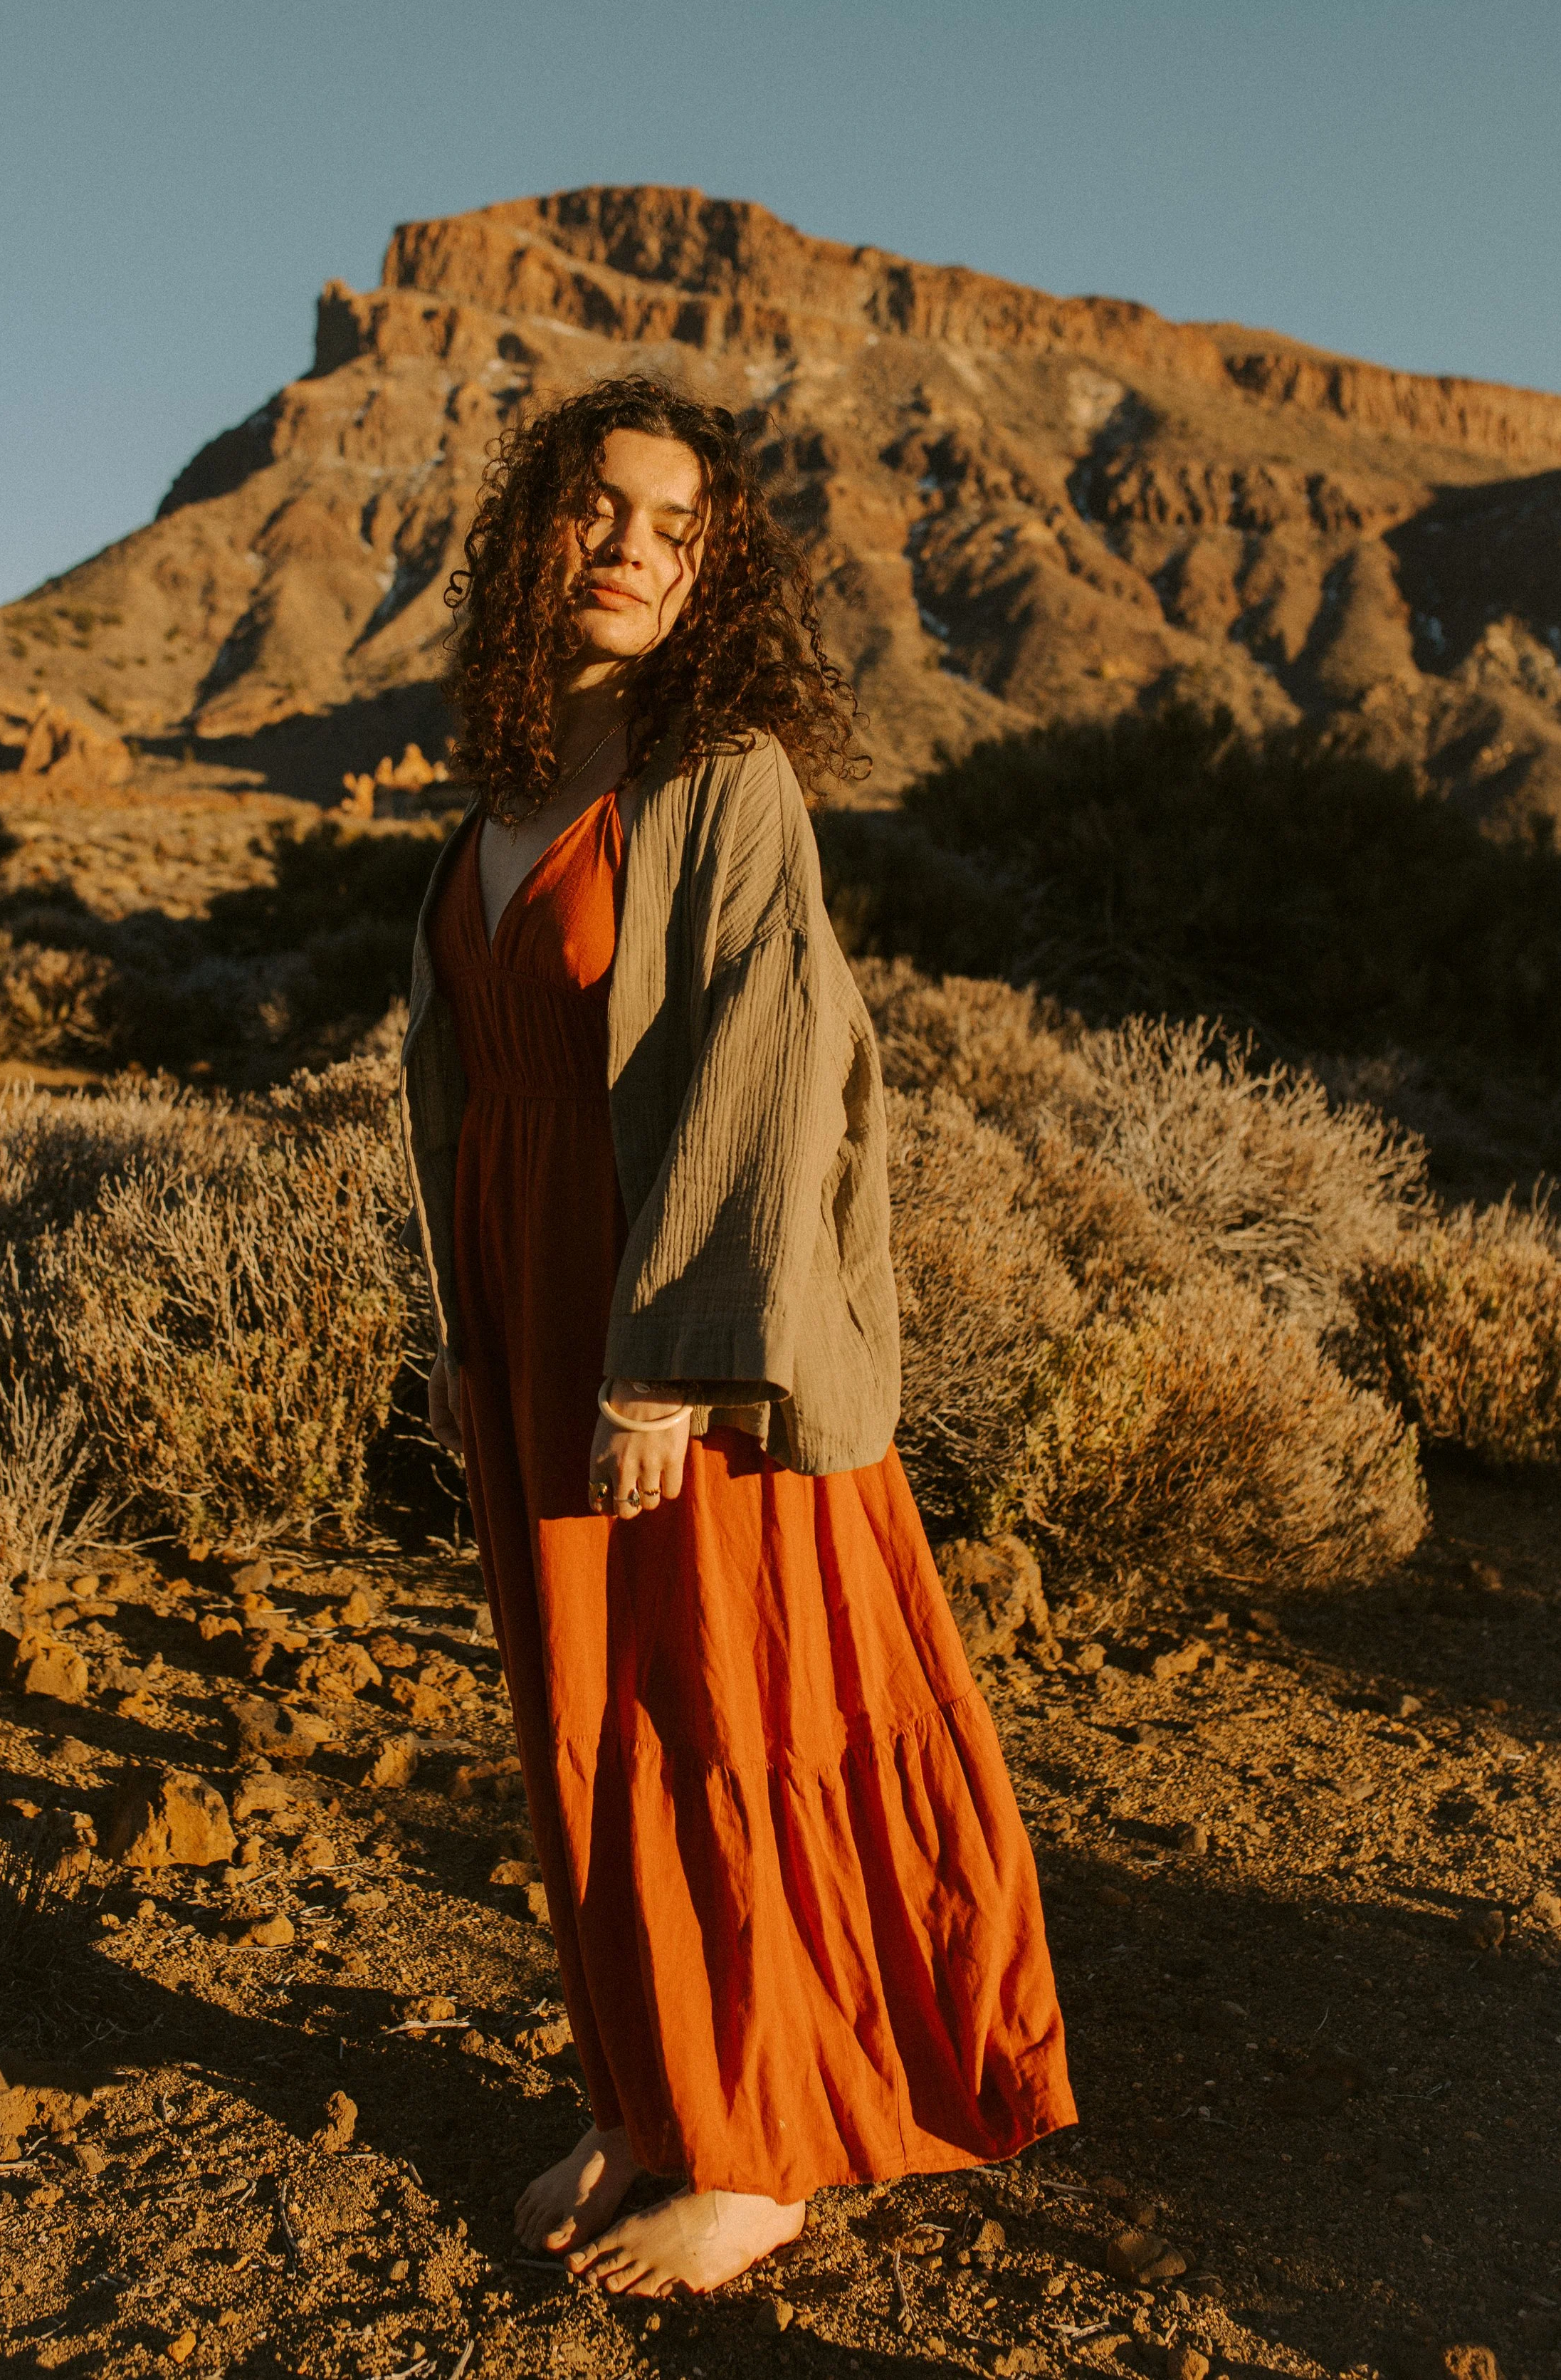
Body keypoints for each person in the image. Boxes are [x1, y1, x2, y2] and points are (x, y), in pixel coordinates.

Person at [399, 373, 1074, 2302]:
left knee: (722, 1717)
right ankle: (649, 2087)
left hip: (682, 1332)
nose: (628, 549)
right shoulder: (502, 790)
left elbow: (763, 1087)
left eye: (675, 530)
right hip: (532, 1309)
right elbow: (473, 1083)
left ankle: (760, 2140)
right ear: (535, 528)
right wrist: (469, 1339)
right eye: (597, 509)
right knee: (586, 1726)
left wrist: (667, 1365)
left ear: (717, 577)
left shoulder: (723, 780)